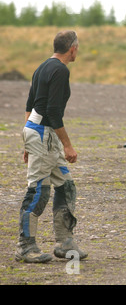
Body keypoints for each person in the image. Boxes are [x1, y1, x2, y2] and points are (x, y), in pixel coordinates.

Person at [15, 30, 88, 263]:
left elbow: (30, 104)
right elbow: (54, 112)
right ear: (72, 48)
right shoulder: (60, 70)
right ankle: (25, 246)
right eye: (78, 47)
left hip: (38, 132)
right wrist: (68, 146)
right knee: (38, 190)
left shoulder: (42, 67)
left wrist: (27, 142)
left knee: (66, 186)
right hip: (43, 134)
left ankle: (65, 242)